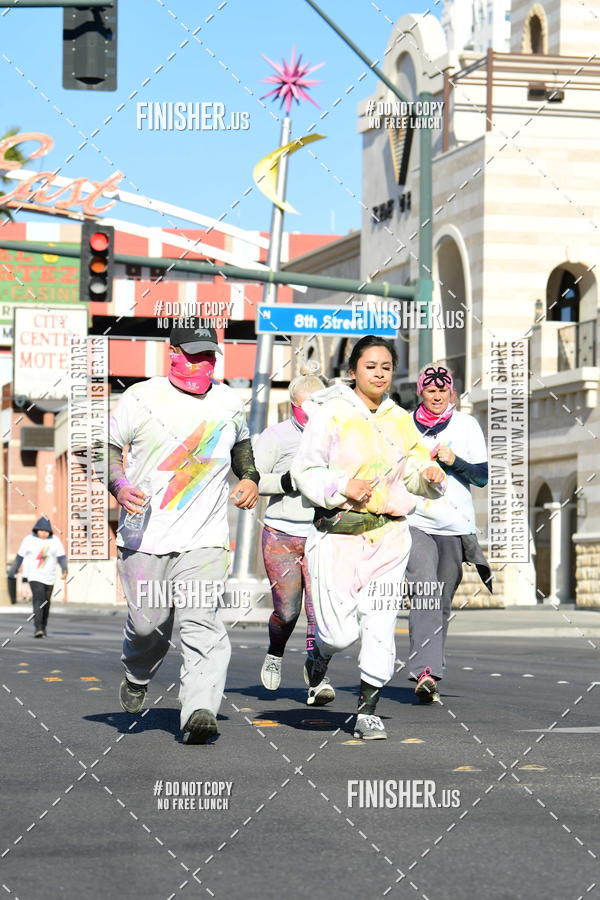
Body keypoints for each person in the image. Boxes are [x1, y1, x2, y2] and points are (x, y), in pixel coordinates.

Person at [107, 324, 259, 745]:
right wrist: (119, 485)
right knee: (147, 626)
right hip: (145, 536)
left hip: (205, 538)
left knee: (201, 622)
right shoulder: (141, 398)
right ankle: (137, 673)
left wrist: (248, 477)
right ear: (171, 352)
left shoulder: (228, 400)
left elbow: (241, 447)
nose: (200, 363)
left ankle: (199, 710)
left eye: (208, 356)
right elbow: (106, 449)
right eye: (192, 355)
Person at [291, 336, 446, 741]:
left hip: (389, 537)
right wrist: (343, 485)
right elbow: (305, 471)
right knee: (338, 634)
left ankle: (367, 711)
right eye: (370, 366)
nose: (379, 374)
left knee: (379, 626)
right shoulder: (331, 414)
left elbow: (413, 469)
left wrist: (429, 477)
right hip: (337, 537)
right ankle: (318, 656)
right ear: (353, 370)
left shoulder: (399, 418)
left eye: (386, 367)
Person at [405, 364, 492, 703]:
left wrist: (453, 460)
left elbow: (481, 477)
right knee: (424, 587)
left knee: (440, 598)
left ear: (451, 392)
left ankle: (430, 672)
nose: (438, 395)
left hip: (454, 527)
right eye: (431, 390)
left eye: (443, 390)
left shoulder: (466, 424)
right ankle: (425, 671)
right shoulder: (404, 426)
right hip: (415, 522)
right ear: (420, 392)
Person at [255, 361, 334, 706]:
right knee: (287, 612)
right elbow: (252, 480)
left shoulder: (337, 435)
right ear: (294, 407)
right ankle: (275, 651)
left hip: (322, 533)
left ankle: (318, 679)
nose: (315, 414)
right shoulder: (276, 436)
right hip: (281, 534)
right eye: (308, 408)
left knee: (321, 612)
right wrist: (286, 482)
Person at [8, 517, 68, 637]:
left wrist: (65, 569)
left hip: (50, 576)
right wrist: (13, 570)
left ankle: (43, 626)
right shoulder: (28, 540)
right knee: (38, 599)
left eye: (46, 531)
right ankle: (38, 628)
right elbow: (20, 557)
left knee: (46, 602)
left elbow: (61, 557)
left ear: (50, 532)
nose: (43, 533)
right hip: (34, 576)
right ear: (36, 530)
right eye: (41, 530)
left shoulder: (55, 541)